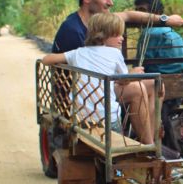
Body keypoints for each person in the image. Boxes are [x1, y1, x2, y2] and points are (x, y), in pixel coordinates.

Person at [43, 13, 159, 144]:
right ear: (102, 36)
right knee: (118, 141)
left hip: (80, 119)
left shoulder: (78, 52)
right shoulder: (115, 53)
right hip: (108, 121)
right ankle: (148, 144)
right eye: (117, 35)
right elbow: (123, 80)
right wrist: (134, 73)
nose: (122, 39)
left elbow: (46, 60)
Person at [51, 0, 183, 54]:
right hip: (79, 93)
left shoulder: (101, 20)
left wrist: (165, 19)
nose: (111, 3)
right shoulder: (72, 30)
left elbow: (129, 15)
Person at [133, 0, 183, 75]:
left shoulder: (148, 33)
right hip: (181, 75)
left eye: (142, 10)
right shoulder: (173, 32)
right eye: (136, 11)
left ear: (156, 13)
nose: (137, 15)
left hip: (157, 77)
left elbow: (141, 65)